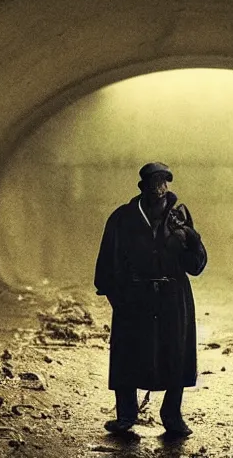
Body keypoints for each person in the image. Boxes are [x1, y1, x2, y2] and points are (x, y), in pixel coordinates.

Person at [94, 161, 207, 437]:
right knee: (128, 353)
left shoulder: (179, 218)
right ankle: (126, 415)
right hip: (134, 296)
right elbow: (106, 265)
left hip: (173, 296)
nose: (159, 188)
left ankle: (172, 415)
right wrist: (118, 300)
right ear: (142, 186)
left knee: (175, 353)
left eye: (164, 181)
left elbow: (197, 265)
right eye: (154, 182)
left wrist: (191, 236)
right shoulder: (122, 218)